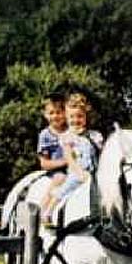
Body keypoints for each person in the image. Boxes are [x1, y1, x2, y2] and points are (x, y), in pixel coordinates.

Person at [41, 93, 103, 225]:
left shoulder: (94, 136)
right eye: (71, 117)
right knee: (65, 188)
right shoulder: (67, 137)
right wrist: (80, 173)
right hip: (77, 173)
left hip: (94, 173)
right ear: (67, 118)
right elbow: (69, 158)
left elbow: (100, 156)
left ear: (86, 117)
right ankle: (48, 212)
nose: (76, 120)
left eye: (80, 116)